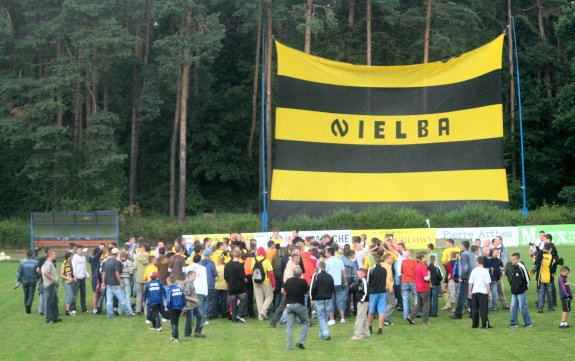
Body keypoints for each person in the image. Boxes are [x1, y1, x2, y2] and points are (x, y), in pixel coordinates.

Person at [101, 248, 134, 318]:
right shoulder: (117, 262)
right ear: (116, 254)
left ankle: (109, 314)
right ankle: (128, 312)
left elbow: (103, 273)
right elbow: (117, 273)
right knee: (122, 299)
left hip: (108, 283)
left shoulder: (105, 262)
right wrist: (121, 282)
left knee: (109, 300)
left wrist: (103, 282)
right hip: (115, 283)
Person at [284, 266, 309, 351]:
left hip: (289, 305)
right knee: (306, 322)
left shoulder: (288, 281)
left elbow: (283, 291)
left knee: (289, 327)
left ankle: (289, 347)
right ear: (301, 274)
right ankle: (300, 341)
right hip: (299, 305)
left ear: (293, 273)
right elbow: (306, 291)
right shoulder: (303, 282)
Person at [506, 252, 533, 328]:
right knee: (513, 307)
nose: (512, 261)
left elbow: (527, 278)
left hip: (521, 291)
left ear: (518, 259)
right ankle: (514, 323)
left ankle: (528, 323)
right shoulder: (513, 266)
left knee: (523, 307)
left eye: (514, 259)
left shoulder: (521, 267)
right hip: (514, 291)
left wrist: (524, 288)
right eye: (511, 259)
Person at [310, 261, 335, 341]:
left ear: (318, 267)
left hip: (319, 298)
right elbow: (332, 288)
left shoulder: (316, 276)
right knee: (326, 316)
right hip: (328, 298)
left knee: (321, 316)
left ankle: (326, 333)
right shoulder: (330, 276)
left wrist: (312, 297)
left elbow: (313, 288)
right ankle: (321, 334)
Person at [451, 241, 476, 320]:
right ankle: (473, 313)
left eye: (461, 245)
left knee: (462, 297)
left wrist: (462, 277)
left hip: (466, 278)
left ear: (463, 246)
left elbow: (464, 267)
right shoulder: (472, 254)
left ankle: (458, 314)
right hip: (473, 278)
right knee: (471, 296)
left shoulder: (464, 254)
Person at [324, 247, 348, 324]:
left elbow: (325, 273)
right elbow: (344, 272)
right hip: (338, 283)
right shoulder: (339, 260)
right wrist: (345, 281)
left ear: (329, 253)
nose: (325, 254)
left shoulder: (327, 262)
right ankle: (342, 318)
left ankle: (332, 319)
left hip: (329, 284)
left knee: (330, 301)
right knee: (340, 300)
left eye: (326, 252)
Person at [251, 247, 276, 321]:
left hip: (255, 281)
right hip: (265, 282)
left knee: (259, 299)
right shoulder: (266, 261)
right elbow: (271, 274)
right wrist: (273, 284)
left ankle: (260, 316)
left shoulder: (253, 259)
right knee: (269, 297)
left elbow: (252, 269)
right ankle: (263, 311)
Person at [467, 256, 492, 329]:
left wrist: (469, 292)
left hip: (475, 292)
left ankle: (475, 324)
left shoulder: (474, 271)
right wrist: (489, 293)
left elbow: (470, 282)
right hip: (483, 292)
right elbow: (487, 284)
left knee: (474, 309)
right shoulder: (485, 271)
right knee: (483, 309)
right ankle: (485, 324)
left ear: (478, 262)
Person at [406, 252, 430, 325]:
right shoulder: (423, 266)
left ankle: (411, 316)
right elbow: (426, 278)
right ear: (422, 258)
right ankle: (425, 321)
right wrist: (429, 273)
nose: (427, 258)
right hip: (424, 287)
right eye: (426, 257)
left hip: (418, 287)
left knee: (419, 304)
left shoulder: (417, 265)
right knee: (426, 304)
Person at [224, 250, 248, 323]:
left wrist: (228, 281)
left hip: (231, 286)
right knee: (243, 300)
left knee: (233, 303)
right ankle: (240, 314)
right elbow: (242, 276)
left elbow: (225, 276)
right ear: (240, 256)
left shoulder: (227, 265)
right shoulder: (240, 265)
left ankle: (234, 319)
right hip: (240, 287)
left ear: (233, 255)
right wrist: (245, 279)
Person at [367, 254, 387, 335]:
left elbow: (369, 281)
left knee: (371, 310)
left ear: (374, 260)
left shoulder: (371, 269)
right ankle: (380, 329)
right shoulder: (384, 270)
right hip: (382, 291)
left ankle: (370, 327)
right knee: (381, 311)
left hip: (374, 292)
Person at [183, 270, 205, 337]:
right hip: (189, 305)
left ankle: (197, 332)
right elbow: (185, 296)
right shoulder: (187, 283)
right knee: (190, 320)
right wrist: (194, 299)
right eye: (194, 275)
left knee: (200, 317)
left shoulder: (191, 282)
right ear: (189, 276)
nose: (195, 277)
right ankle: (187, 334)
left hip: (194, 305)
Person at [535, 243, 556, 312]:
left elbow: (536, 263)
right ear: (550, 249)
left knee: (541, 293)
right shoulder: (551, 257)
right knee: (549, 293)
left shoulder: (541, 255)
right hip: (548, 277)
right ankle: (550, 307)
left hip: (541, 277)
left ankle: (540, 308)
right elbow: (552, 268)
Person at [17, 250, 39, 314]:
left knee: (26, 294)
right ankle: (28, 304)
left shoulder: (22, 262)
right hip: (33, 280)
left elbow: (19, 272)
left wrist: (18, 280)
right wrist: (38, 278)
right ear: (32, 255)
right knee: (31, 294)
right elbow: (38, 271)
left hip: (24, 280)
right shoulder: (36, 262)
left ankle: (27, 309)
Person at [41, 250, 60, 324]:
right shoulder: (48, 263)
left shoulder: (50, 263)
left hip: (52, 284)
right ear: (50, 255)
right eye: (54, 254)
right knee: (50, 302)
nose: (56, 255)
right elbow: (45, 272)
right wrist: (52, 279)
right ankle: (49, 319)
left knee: (55, 301)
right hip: (49, 285)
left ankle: (55, 318)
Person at [199, 248, 218, 321]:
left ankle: (202, 313)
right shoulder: (211, 263)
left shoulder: (200, 263)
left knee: (202, 300)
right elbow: (214, 273)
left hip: (201, 285)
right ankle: (208, 314)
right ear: (210, 254)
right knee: (210, 301)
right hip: (210, 284)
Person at [351, 268, 370, 340]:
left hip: (363, 302)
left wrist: (361, 300)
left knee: (359, 318)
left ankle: (357, 335)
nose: (359, 275)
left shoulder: (364, 281)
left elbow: (365, 292)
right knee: (364, 318)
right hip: (362, 301)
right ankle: (366, 333)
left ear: (364, 274)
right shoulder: (360, 281)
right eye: (358, 274)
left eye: (360, 274)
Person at [166, 276, 186, 342]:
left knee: (173, 323)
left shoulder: (169, 289)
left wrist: (167, 307)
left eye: (167, 282)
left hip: (173, 308)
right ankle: (172, 335)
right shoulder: (179, 288)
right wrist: (183, 306)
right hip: (179, 308)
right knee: (176, 322)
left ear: (169, 281)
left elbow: (168, 300)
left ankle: (176, 337)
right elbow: (183, 298)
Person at [71, 247, 89, 313]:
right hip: (77, 278)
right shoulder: (75, 258)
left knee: (83, 294)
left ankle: (84, 309)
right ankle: (73, 309)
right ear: (76, 251)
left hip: (82, 278)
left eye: (81, 250)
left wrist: (86, 274)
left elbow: (84, 267)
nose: (80, 251)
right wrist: (74, 276)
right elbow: (73, 267)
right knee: (75, 294)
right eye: (78, 250)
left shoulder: (84, 257)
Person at [401, 250, 417, 320]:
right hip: (413, 280)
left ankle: (405, 315)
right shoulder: (415, 262)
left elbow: (401, 271)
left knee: (405, 298)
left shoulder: (403, 262)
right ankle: (415, 314)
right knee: (416, 296)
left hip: (405, 281)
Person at [133, 246, 150, 314]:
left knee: (139, 294)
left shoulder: (137, 258)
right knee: (146, 294)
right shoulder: (149, 257)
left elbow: (134, 267)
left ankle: (138, 310)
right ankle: (146, 310)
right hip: (146, 278)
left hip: (139, 278)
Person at [60, 252, 76, 316]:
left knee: (70, 296)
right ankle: (67, 311)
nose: (72, 257)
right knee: (70, 296)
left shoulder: (70, 263)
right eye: (72, 256)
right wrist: (67, 278)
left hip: (71, 281)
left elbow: (71, 272)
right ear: (69, 257)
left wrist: (74, 277)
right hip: (66, 282)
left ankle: (68, 310)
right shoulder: (64, 264)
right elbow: (61, 274)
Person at [214, 253, 228, 319]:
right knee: (224, 301)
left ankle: (216, 313)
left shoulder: (216, 268)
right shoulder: (225, 267)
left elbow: (215, 277)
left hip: (217, 285)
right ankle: (224, 314)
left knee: (216, 300)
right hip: (225, 286)